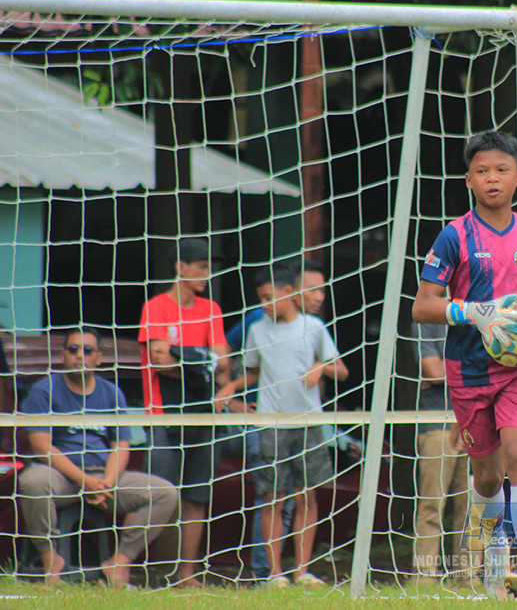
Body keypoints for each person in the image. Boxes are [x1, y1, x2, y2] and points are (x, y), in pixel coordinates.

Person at [411, 130, 517, 601]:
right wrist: (471, 312)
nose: (492, 178)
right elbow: (422, 306)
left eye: (502, 170)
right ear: (468, 180)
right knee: (486, 477)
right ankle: (496, 574)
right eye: (482, 171)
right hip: (469, 371)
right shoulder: (453, 236)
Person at [217, 264, 347, 588]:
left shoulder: (314, 327)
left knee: (307, 497)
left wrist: (321, 366)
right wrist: (231, 388)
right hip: (271, 425)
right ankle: (274, 573)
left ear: (288, 292)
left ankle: (302, 571)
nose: (263, 305)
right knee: (272, 497)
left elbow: (341, 371)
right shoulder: (258, 330)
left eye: (267, 297)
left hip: (309, 424)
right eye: (260, 299)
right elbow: (252, 372)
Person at [18, 328, 180, 588]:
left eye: (87, 350)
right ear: (62, 355)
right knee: (33, 482)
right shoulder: (44, 390)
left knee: (165, 493)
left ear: (99, 358)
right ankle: (51, 563)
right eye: (73, 349)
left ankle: (119, 563)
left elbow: (120, 445)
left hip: (103, 476)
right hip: (62, 476)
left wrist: (106, 481)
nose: (79, 355)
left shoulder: (112, 392)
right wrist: (84, 481)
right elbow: (42, 448)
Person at [138, 237, 230, 587]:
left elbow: (223, 364)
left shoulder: (212, 309)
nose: (207, 274)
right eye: (202, 266)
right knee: (163, 495)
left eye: (210, 267)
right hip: (164, 415)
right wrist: (202, 360)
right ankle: (158, 570)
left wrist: (186, 357)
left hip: (203, 415)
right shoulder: (156, 306)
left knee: (196, 497)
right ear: (180, 267)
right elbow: (159, 361)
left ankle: (186, 575)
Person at [411, 322, 475, 583]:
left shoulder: (479, 315)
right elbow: (432, 370)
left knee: (472, 507)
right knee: (431, 505)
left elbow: (439, 371)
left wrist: (444, 371)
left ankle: (467, 576)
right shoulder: (425, 320)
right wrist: (476, 372)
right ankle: (424, 577)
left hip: (475, 422)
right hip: (437, 424)